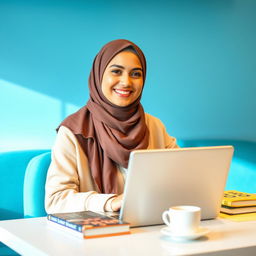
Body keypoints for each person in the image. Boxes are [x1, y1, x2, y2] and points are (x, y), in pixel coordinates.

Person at [45, 39, 178, 214]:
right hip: (94, 235)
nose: (126, 82)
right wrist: (111, 202)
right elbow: (56, 200)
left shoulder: (154, 126)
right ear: (99, 75)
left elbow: (180, 179)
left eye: (136, 74)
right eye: (116, 71)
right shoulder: (73, 131)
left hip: (150, 227)